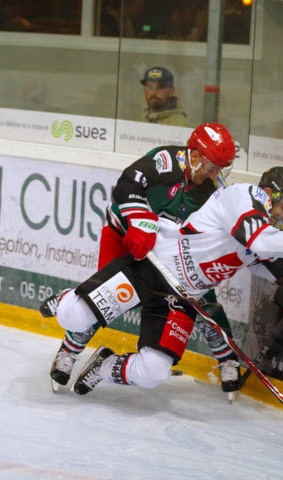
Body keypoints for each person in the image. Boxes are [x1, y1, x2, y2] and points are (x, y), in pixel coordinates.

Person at [42, 167, 283, 396]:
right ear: (269, 194)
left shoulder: (261, 225)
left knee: (153, 373)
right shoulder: (241, 196)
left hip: (180, 298)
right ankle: (68, 298)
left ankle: (105, 367)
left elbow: (260, 259)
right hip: (152, 268)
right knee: (73, 316)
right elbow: (258, 241)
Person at [43, 122, 244, 394]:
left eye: (221, 168)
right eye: (212, 166)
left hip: (164, 256)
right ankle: (69, 351)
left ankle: (227, 358)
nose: (215, 174)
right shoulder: (165, 162)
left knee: (203, 297)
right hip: (124, 235)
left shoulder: (213, 190)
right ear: (195, 156)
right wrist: (141, 223)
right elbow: (127, 183)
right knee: (101, 299)